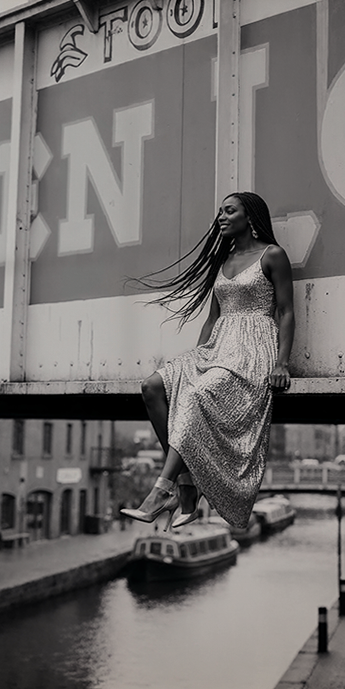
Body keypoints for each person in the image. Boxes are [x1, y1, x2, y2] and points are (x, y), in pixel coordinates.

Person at [122, 192, 296, 533]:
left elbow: (286, 311)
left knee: (197, 395)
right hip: (217, 345)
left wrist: (282, 362)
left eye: (230, 211)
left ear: (251, 217)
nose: (221, 217)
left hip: (252, 347)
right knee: (153, 387)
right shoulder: (223, 261)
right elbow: (213, 317)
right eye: (220, 212)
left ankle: (161, 491)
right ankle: (186, 484)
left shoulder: (272, 255)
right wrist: (197, 357)